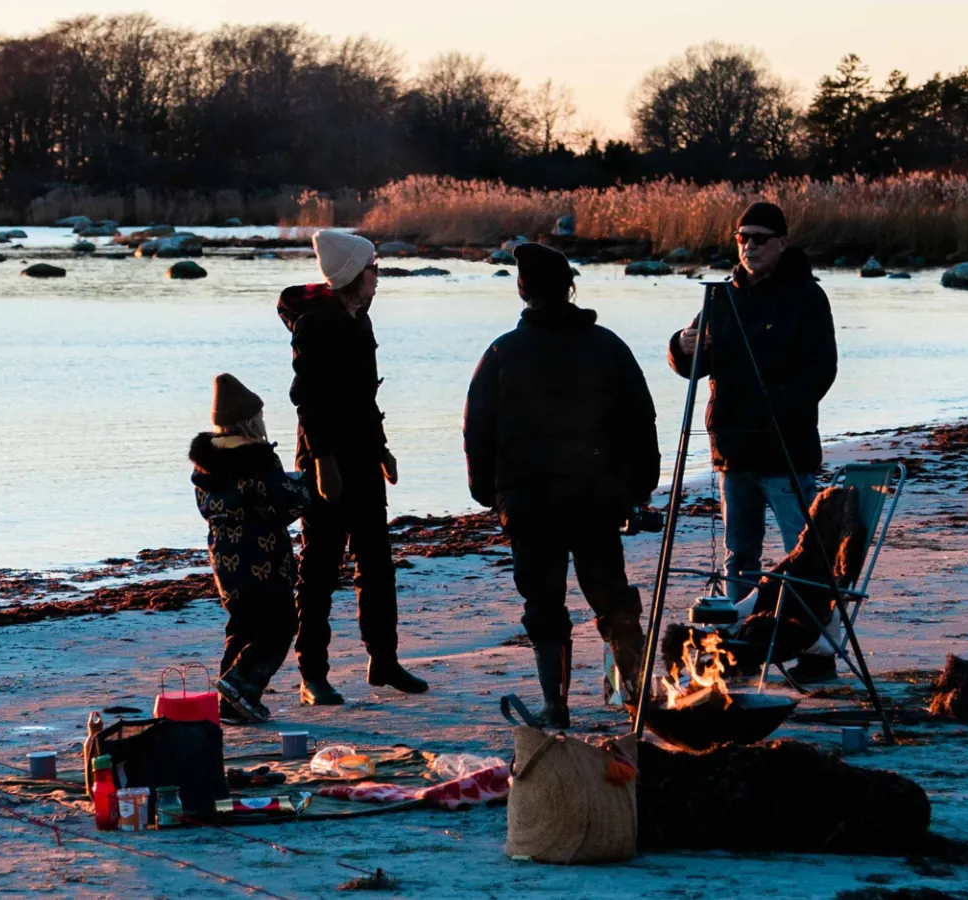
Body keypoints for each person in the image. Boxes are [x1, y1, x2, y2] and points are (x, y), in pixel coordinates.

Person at [464, 242, 659, 727]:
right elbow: (642, 419)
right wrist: (641, 485)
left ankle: (556, 704)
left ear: (522, 290)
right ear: (570, 288)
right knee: (610, 593)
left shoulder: (502, 352)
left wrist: (487, 492)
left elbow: (476, 428)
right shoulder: (607, 346)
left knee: (543, 603)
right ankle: (632, 694)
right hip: (596, 497)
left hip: (530, 503)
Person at [276, 229, 428, 705]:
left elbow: (365, 395)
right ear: (351, 276)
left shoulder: (359, 318)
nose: (378, 277)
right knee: (319, 569)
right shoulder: (316, 324)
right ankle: (311, 674)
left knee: (377, 565)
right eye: (372, 270)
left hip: (362, 458)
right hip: (327, 464)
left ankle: (383, 660)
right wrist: (322, 460)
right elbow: (306, 397)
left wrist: (381, 448)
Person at [668, 201, 838, 610]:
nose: (750, 247)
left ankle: (814, 642)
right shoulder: (721, 296)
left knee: (804, 552)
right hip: (732, 450)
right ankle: (741, 646)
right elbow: (694, 365)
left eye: (759, 239)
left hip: (786, 451)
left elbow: (821, 370)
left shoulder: (807, 297)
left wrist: (777, 411)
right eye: (742, 239)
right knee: (738, 556)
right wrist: (681, 346)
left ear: (782, 242)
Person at [191, 374, 310, 724]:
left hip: (226, 562)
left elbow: (213, 506)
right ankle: (240, 682)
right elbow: (282, 504)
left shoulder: (205, 464)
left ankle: (228, 703)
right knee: (281, 625)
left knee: (241, 627)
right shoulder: (257, 459)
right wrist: (305, 487)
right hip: (264, 559)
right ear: (251, 421)